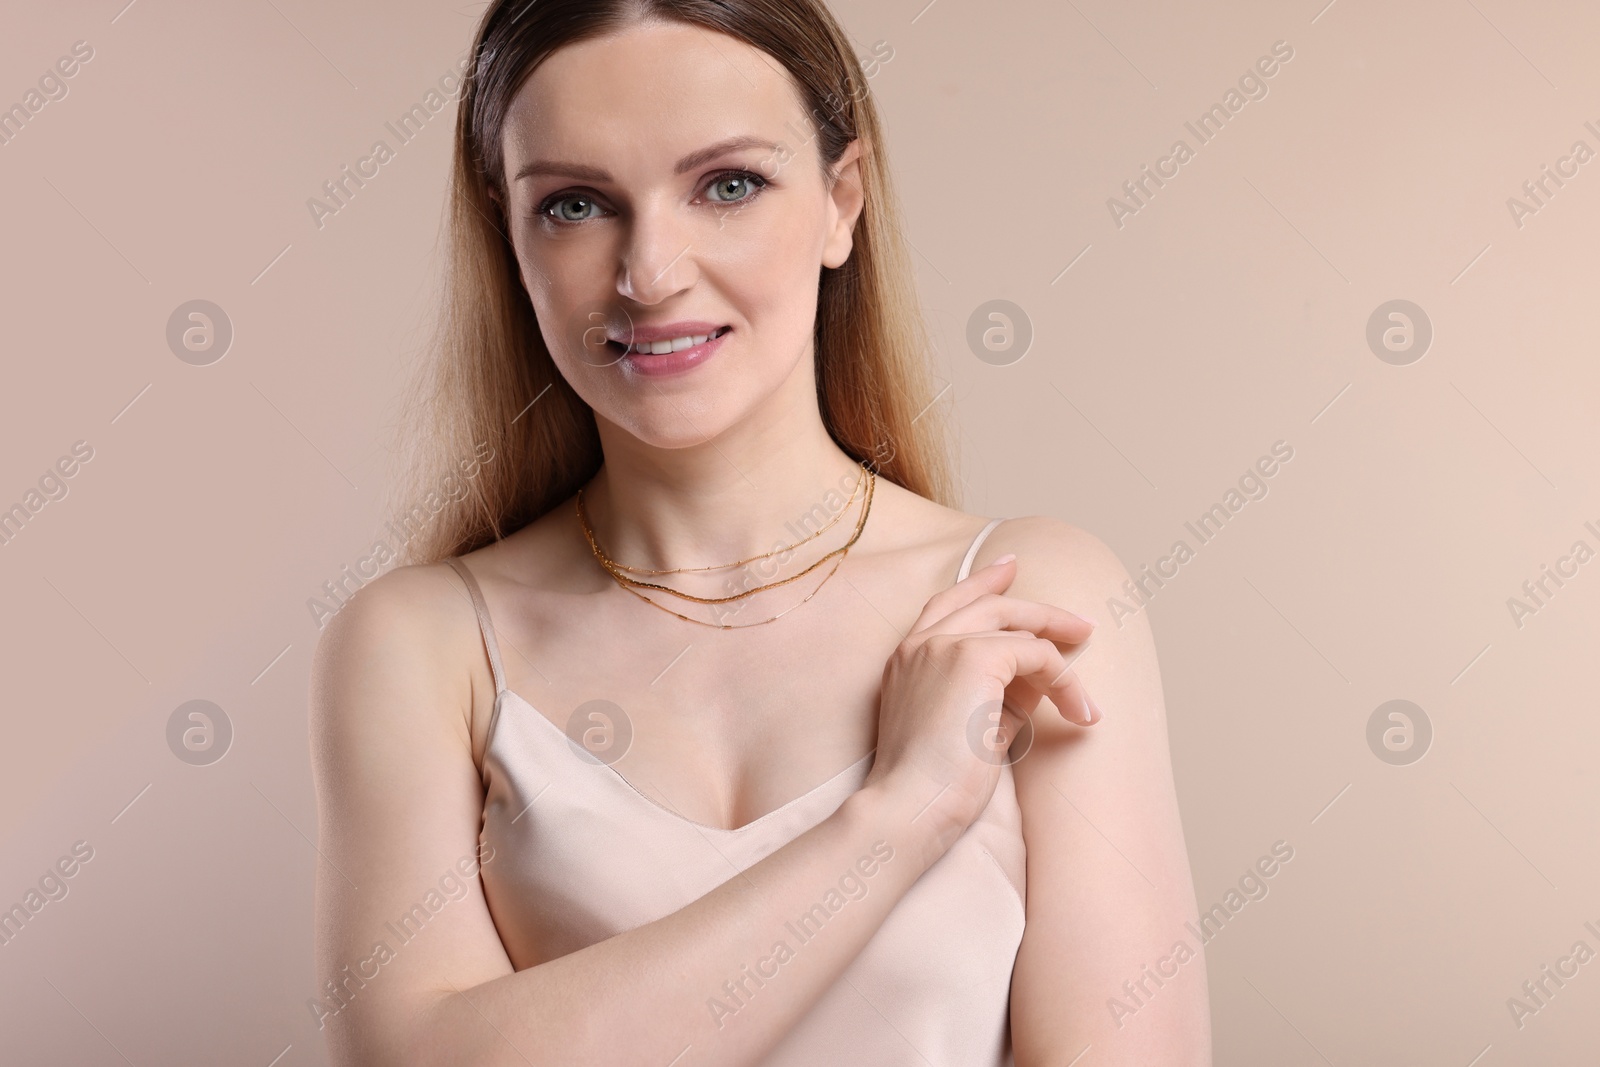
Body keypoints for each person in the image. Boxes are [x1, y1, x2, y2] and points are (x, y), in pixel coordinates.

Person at [309, 1, 1211, 1063]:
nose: (651, 273)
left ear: (841, 201)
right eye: (575, 204)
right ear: (507, 233)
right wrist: (894, 815)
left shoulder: (1029, 592)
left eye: (727, 185)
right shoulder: (420, 643)